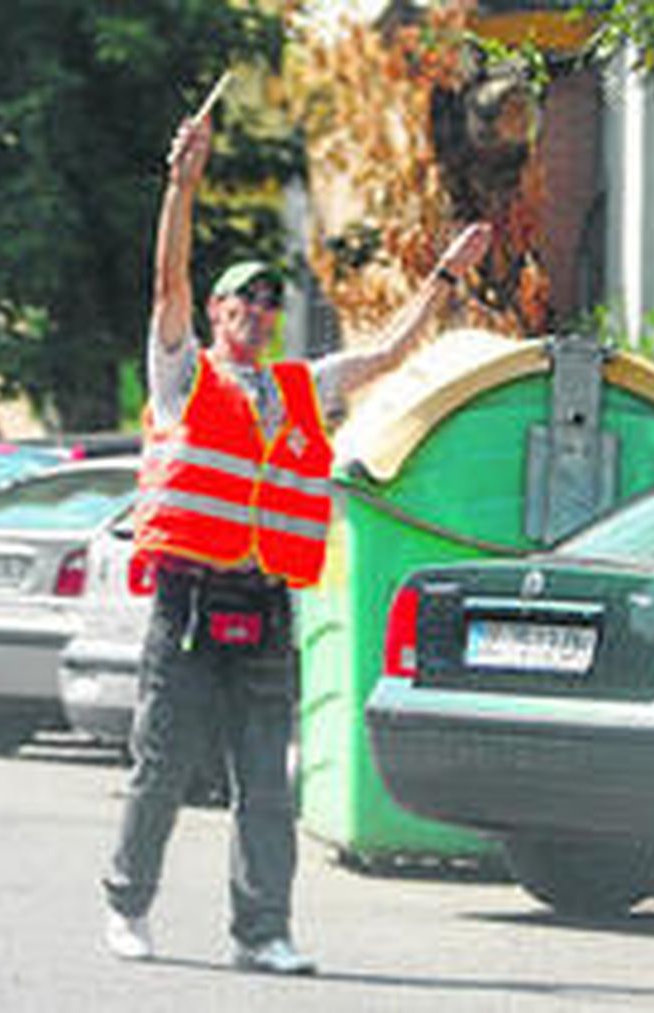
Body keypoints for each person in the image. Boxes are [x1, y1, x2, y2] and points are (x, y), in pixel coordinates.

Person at [102, 105, 493, 975]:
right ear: (215, 310)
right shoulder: (184, 373)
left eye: (269, 300)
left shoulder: (301, 386)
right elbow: (166, 282)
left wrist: (442, 278)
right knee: (160, 769)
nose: (256, 310)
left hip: (265, 605)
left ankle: (263, 932)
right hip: (189, 604)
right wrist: (183, 183)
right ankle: (128, 904)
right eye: (241, 297)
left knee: (267, 785)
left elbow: (387, 354)